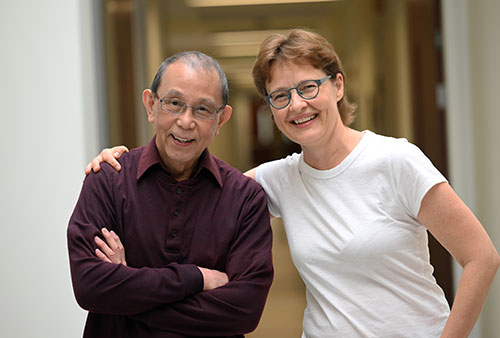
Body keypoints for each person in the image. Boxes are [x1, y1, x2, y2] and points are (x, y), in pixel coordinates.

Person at [87, 29, 500, 338]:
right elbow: (194, 181)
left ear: (337, 86)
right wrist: (122, 158)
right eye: (280, 96)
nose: (297, 105)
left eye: (308, 87)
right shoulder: (278, 178)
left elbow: (482, 257)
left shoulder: (395, 161)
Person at [68, 51, 274, 338]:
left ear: (221, 119)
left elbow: (244, 311)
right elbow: (91, 287)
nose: (186, 121)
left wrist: (126, 293)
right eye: (174, 103)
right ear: (151, 105)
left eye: (203, 109)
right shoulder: (108, 179)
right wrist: (197, 278)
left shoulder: (245, 199)